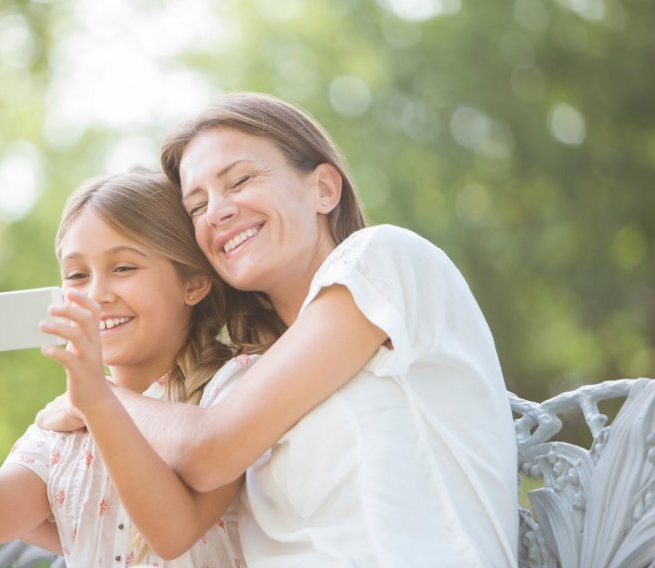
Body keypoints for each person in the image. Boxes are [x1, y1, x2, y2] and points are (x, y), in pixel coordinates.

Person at [37, 93, 520, 566]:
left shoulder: (381, 260)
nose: (217, 212)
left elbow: (209, 451)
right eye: (196, 206)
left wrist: (96, 398)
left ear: (324, 189)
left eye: (240, 179)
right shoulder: (251, 373)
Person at [0, 169, 251, 567]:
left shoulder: (232, 392)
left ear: (194, 285)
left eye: (124, 268)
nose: (96, 294)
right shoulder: (62, 427)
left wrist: (98, 401)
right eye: (77, 275)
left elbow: (173, 536)